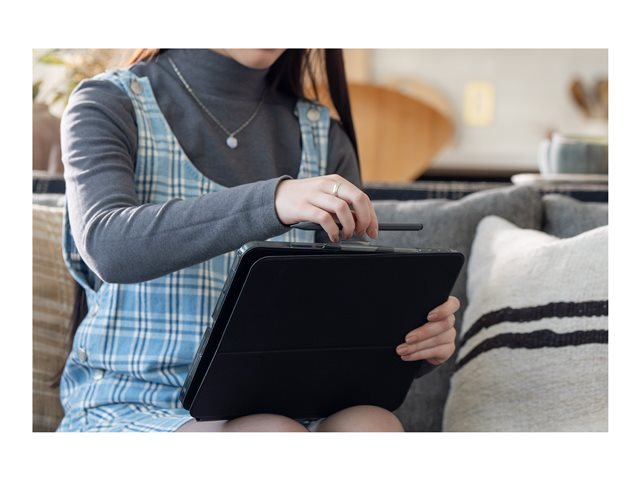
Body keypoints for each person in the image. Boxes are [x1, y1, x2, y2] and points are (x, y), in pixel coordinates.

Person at [58, 48, 460, 432]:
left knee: (372, 427)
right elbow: (108, 247)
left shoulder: (323, 135)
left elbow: (342, 316)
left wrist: (411, 343)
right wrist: (273, 201)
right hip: (130, 400)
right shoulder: (108, 102)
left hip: (278, 402)